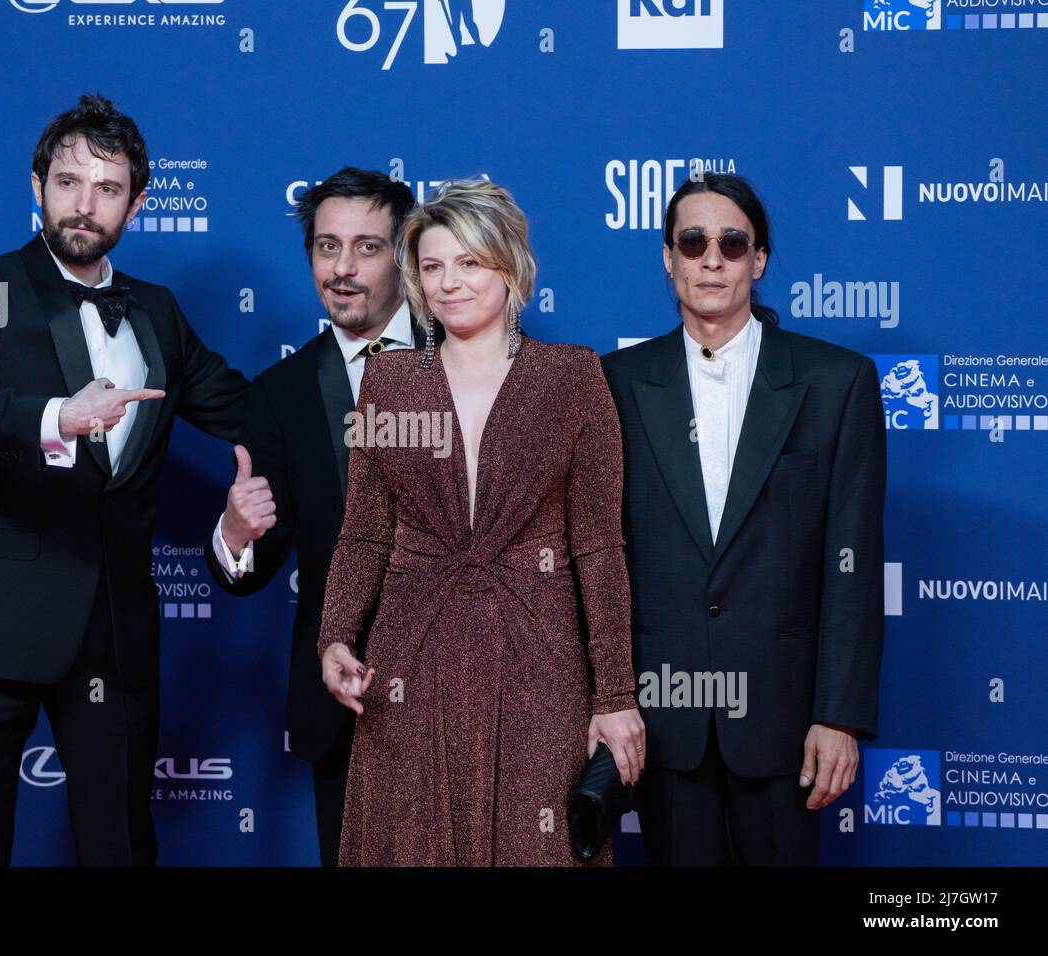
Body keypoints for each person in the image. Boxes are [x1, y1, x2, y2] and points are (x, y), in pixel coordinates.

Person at [0, 92, 248, 866]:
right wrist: (56, 419)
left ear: (137, 199)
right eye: (67, 181)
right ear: (37, 186)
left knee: (121, 852)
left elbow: (246, 411)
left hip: (114, 635)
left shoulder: (159, 313)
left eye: (107, 187)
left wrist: (376, 402)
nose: (83, 203)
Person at [317, 179, 645, 866]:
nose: (448, 283)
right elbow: (365, 533)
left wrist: (614, 694)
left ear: (511, 267)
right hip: (409, 660)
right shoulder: (390, 380)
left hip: (540, 664)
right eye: (432, 266)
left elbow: (598, 548)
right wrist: (336, 638)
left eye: (469, 263)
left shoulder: (572, 378)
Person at [601, 172, 886, 866]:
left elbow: (853, 564)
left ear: (759, 260)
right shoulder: (612, 385)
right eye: (693, 241)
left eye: (733, 243)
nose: (712, 259)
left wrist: (838, 715)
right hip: (663, 722)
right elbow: (597, 556)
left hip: (787, 724)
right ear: (668, 257)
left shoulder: (837, 383)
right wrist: (605, 699)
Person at [203, 168, 422, 867]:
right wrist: (236, 534)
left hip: (477, 690)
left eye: (367, 247)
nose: (344, 269)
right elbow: (252, 570)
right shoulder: (281, 394)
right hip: (345, 700)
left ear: (405, 255)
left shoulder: (472, 357)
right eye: (328, 248)